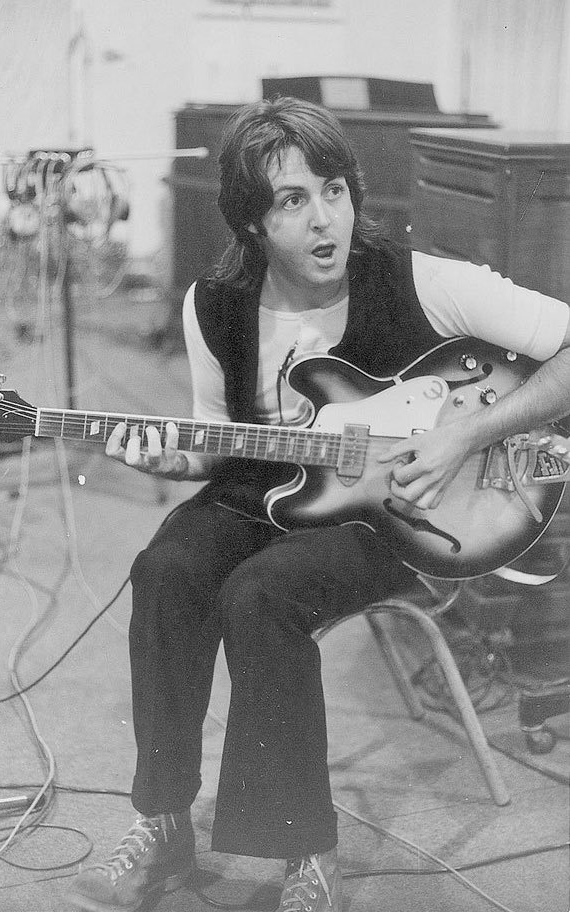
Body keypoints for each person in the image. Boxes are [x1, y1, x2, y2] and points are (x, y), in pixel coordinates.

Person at [66, 96, 570, 912]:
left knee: (260, 596)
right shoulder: (213, 306)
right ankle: (161, 819)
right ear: (252, 222)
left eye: (334, 189)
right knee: (162, 568)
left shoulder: (421, 281)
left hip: (390, 514)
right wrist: (173, 455)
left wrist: (465, 438)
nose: (324, 219)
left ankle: (306, 851)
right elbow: (212, 440)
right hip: (258, 492)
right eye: (293, 201)